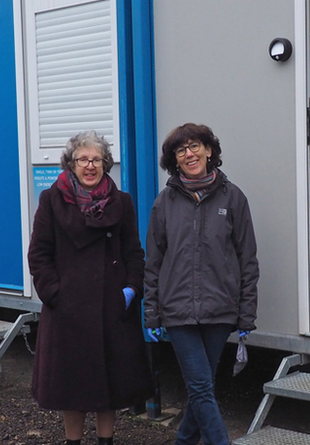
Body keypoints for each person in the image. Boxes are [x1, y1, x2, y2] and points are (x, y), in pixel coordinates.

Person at [28, 131, 152, 445]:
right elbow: (39, 253)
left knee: (109, 387)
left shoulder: (121, 202)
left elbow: (134, 252)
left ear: (106, 164)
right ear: (71, 164)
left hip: (111, 308)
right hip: (67, 311)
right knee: (73, 388)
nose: (90, 165)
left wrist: (131, 289)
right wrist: (55, 293)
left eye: (96, 159)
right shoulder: (52, 199)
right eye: (83, 159)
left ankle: (105, 441)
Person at [144, 123, 260, 445]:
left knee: (203, 386)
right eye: (181, 151)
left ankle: (184, 441)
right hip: (177, 310)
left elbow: (247, 258)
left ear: (209, 151)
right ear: (175, 161)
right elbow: (153, 262)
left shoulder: (233, 198)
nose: (189, 154)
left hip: (220, 309)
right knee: (200, 386)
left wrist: (246, 313)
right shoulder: (164, 203)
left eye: (195, 146)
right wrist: (151, 313)